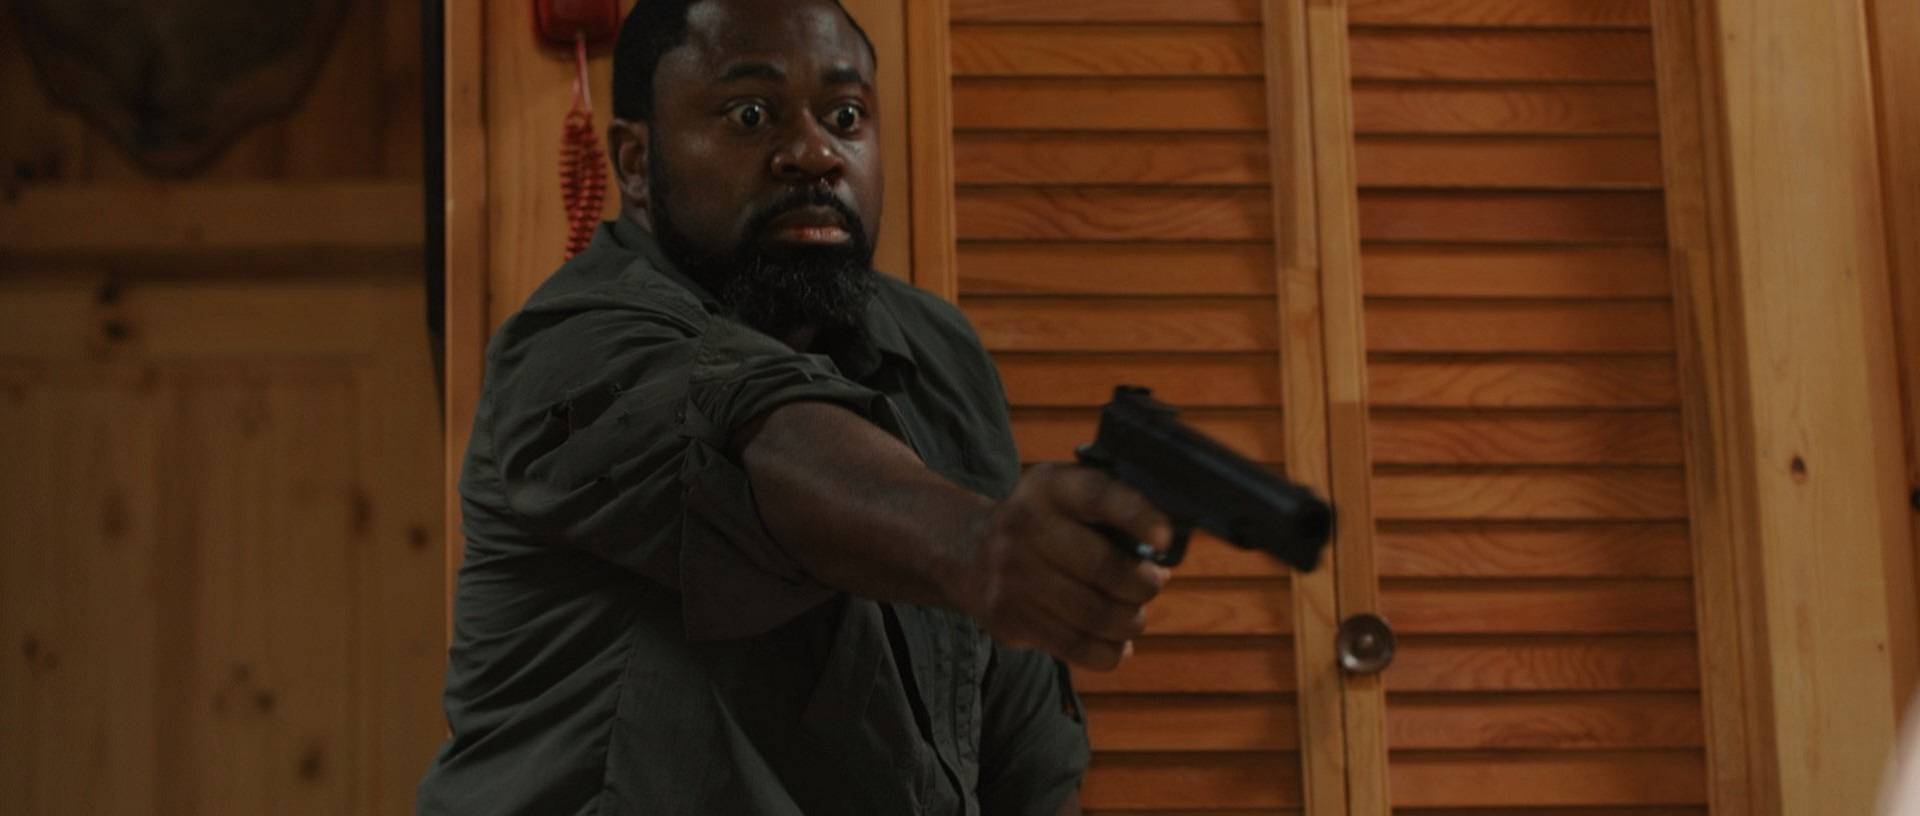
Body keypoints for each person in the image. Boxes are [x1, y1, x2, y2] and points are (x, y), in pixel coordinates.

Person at [417, 0, 1174, 813]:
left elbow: (1017, 744)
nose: (815, 153)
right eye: (751, 115)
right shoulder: (572, 343)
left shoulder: (936, 352)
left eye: (845, 116)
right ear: (635, 164)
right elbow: (757, 436)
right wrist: (978, 543)